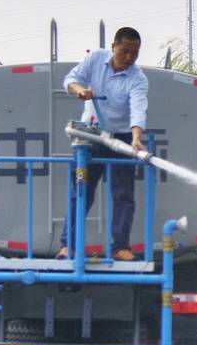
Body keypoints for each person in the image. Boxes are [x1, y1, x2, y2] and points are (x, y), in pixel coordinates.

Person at [57, 26, 148, 261]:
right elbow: (71, 79)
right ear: (114, 47)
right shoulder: (96, 58)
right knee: (81, 191)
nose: (129, 58)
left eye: (134, 53)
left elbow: (138, 111)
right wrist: (79, 91)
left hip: (121, 137)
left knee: (124, 194)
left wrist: (136, 139)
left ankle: (120, 247)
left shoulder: (138, 78)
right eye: (124, 51)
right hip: (89, 136)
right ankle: (69, 246)